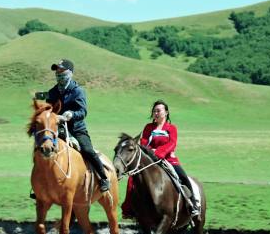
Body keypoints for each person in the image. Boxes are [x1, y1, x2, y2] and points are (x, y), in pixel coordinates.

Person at [36, 59, 110, 192]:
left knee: (87, 150)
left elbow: (83, 112)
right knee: (42, 149)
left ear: (70, 73)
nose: (59, 74)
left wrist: (71, 115)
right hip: (58, 129)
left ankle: (103, 177)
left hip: (77, 130)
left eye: (62, 71)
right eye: (57, 71)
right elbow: (49, 110)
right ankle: (40, 184)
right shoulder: (52, 92)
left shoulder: (78, 91)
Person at [121, 100, 200, 220]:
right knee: (133, 178)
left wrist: (159, 153)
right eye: (154, 111)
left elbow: (172, 143)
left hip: (168, 159)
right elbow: (143, 143)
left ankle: (193, 205)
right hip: (150, 160)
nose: (156, 113)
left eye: (159, 111)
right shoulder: (148, 127)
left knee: (182, 177)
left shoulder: (171, 128)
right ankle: (128, 209)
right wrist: (150, 153)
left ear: (166, 113)